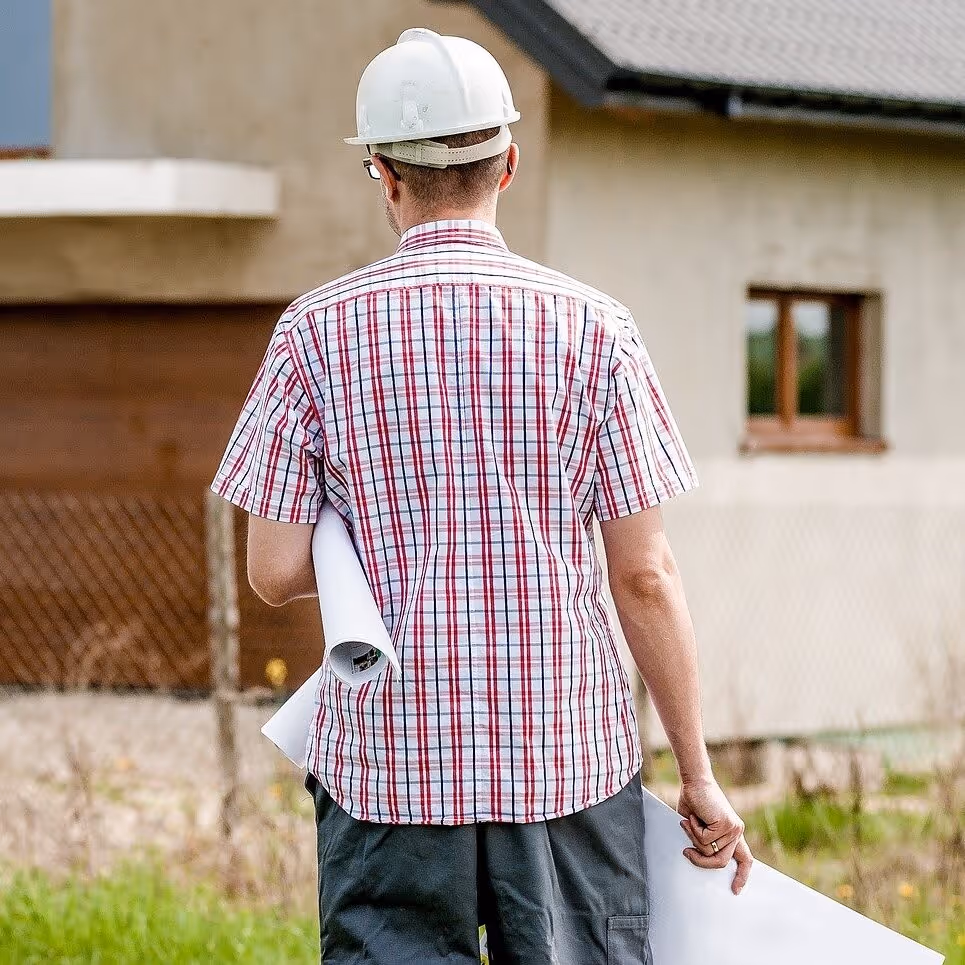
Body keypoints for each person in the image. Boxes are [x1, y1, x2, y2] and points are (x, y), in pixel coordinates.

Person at [212, 27, 753, 965]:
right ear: (507, 162)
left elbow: (271, 569)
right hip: (565, 767)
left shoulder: (313, 334)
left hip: (386, 775)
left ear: (381, 174)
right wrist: (696, 774)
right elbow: (646, 576)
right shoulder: (596, 329)